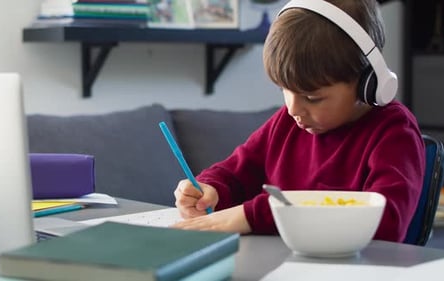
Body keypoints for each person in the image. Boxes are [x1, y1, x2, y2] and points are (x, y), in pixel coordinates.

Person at [172, 0, 425, 243]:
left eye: (312, 97)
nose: (293, 109)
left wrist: (262, 214)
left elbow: (386, 223)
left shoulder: (394, 133)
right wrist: (210, 189)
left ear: (367, 84)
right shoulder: (286, 123)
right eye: (284, 90)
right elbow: (235, 173)